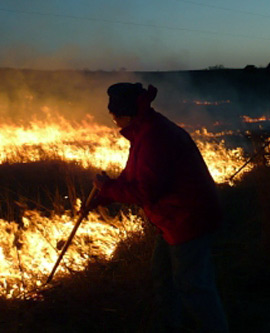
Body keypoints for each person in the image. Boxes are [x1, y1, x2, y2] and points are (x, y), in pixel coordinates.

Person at [92, 82, 228, 332]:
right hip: (171, 219)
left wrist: (108, 188)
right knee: (164, 277)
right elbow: (134, 175)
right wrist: (106, 194)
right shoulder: (144, 130)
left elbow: (146, 191)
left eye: (114, 114)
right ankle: (170, 325)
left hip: (187, 219)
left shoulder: (154, 137)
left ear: (123, 113)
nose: (112, 119)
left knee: (193, 286)